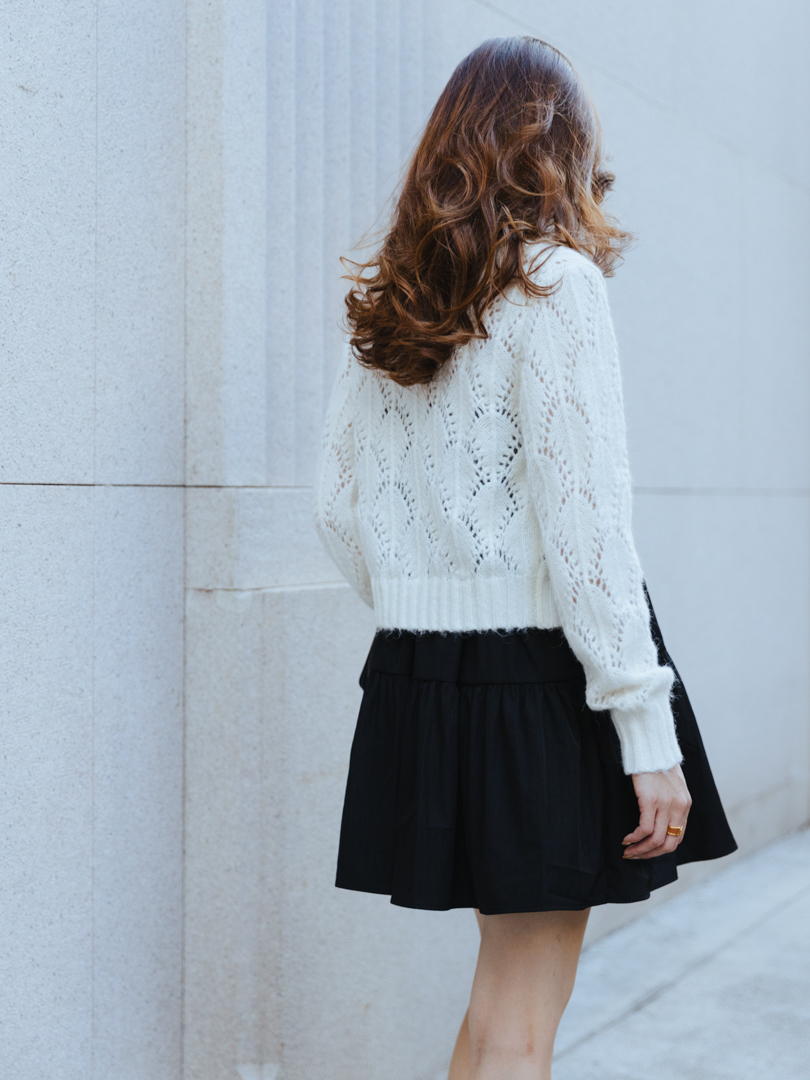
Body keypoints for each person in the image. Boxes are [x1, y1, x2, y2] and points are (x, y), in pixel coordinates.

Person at [314, 35, 737, 1080]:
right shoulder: (555, 284)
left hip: (421, 671)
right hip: (542, 678)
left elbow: (335, 509)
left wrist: (430, 600)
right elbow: (586, 527)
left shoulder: (396, 298)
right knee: (521, 1013)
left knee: (499, 997)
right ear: (559, 145)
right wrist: (645, 730)